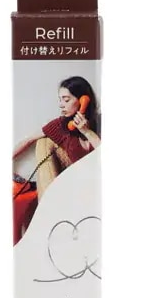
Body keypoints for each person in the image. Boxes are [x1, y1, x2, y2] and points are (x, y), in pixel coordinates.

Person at [12, 77, 101, 244]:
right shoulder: (61, 125)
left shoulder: (101, 122)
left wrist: (87, 132)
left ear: (84, 100)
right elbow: (28, 140)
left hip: (96, 185)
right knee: (43, 141)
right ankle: (49, 217)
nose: (61, 105)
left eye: (66, 100)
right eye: (60, 100)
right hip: (74, 183)